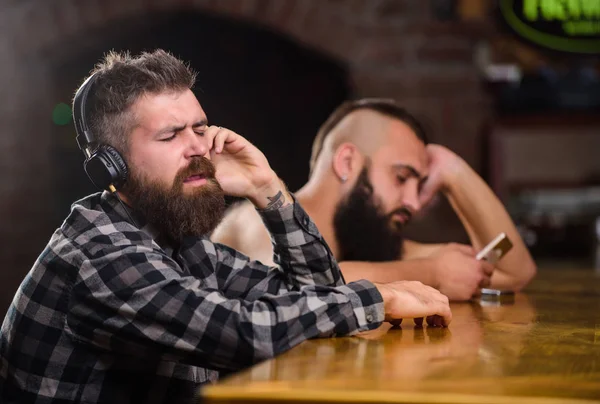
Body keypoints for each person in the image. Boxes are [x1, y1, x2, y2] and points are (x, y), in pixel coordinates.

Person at [0, 51, 451, 404]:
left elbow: (317, 290)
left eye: (199, 127)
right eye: (171, 135)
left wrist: (268, 190)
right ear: (111, 167)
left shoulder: (184, 243)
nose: (198, 148)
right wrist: (377, 296)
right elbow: (243, 335)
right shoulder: (100, 254)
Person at [212, 99, 537, 301]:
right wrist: (432, 273)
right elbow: (285, 286)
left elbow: (512, 270)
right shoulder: (255, 218)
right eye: (401, 177)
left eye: (420, 183)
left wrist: (454, 170)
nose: (414, 202)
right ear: (348, 163)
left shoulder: (374, 247)